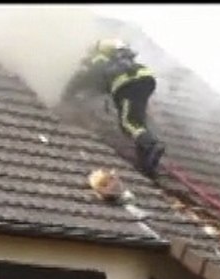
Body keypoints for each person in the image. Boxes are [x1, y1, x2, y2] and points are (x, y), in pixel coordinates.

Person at [61, 38, 165, 176]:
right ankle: (146, 161)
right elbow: (102, 84)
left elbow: (81, 78)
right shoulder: (119, 55)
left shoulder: (98, 59)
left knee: (129, 122)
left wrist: (66, 96)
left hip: (127, 83)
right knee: (137, 121)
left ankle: (151, 145)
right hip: (144, 78)